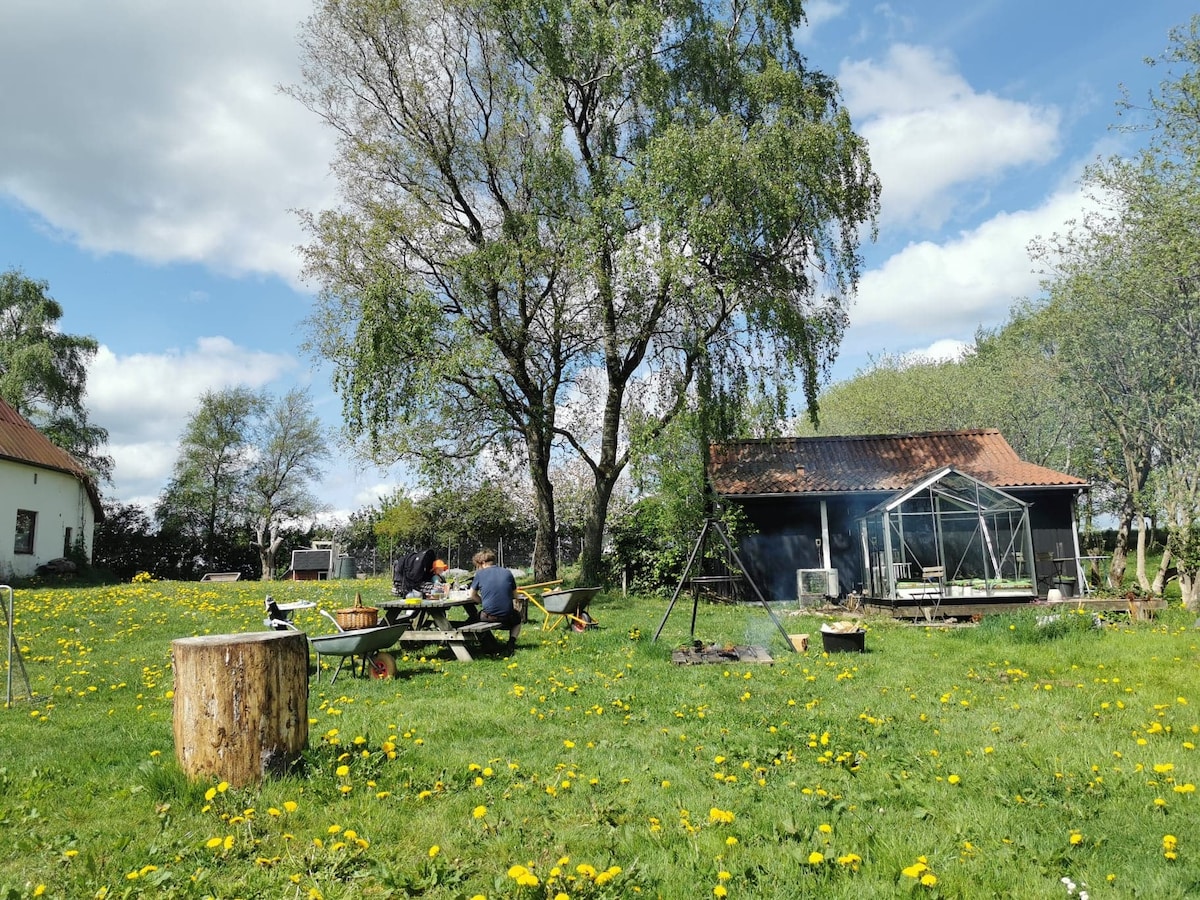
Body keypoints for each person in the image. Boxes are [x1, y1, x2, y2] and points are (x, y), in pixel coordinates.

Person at [469, 548, 521, 649]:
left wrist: (482, 601)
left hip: (489, 616)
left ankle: (486, 644)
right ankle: (511, 641)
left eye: (478, 566)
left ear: (483, 563)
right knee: (517, 619)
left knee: (471, 620)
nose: (478, 568)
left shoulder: (480, 574)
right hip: (507, 615)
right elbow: (515, 595)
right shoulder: (507, 572)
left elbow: (471, 595)